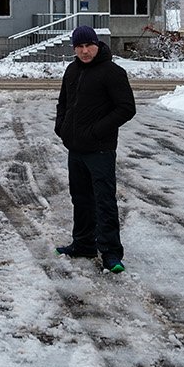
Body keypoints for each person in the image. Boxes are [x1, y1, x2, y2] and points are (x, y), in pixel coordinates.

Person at [54, 24, 136, 273]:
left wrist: (96, 131)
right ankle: (83, 244)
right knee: (80, 199)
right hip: (76, 148)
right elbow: (64, 103)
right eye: (79, 47)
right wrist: (62, 128)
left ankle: (111, 253)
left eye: (88, 45)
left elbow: (126, 108)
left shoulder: (112, 72)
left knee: (104, 201)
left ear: (97, 44)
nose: (84, 51)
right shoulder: (72, 70)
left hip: (100, 149)